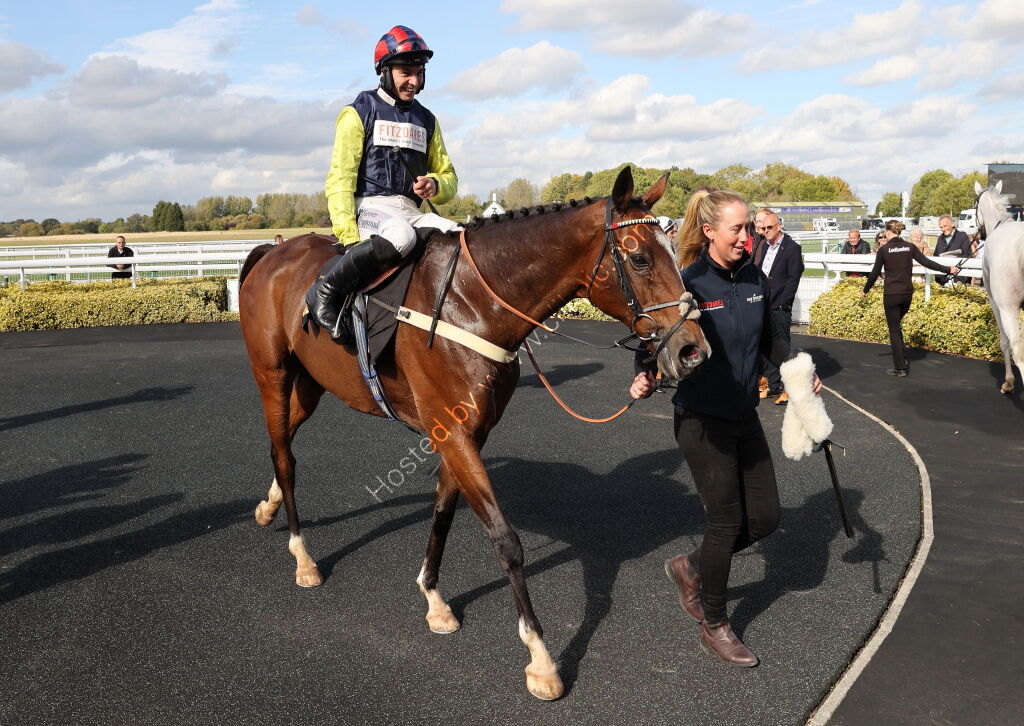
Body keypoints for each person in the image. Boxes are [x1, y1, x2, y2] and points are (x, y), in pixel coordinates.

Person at [630, 188, 822, 667]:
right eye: (736, 229)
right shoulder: (689, 283)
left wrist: (799, 369)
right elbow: (657, 335)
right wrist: (645, 372)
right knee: (726, 522)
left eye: (749, 229)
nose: (746, 237)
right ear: (710, 231)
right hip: (700, 419)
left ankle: (692, 566)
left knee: (766, 518)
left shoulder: (756, 278)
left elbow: (771, 340)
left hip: (744, 413)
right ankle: (714, 623)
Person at [306, 25, 459, 337]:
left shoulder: (427, 120)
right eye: (406, 72)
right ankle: (325, 291)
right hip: (370, 208)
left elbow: (449, 177)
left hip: (411, 210)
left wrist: (435, 184)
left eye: (419, 72)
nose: (414, 81)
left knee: (458, 235)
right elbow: (339, 180)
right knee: (402, 236)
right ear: (385, 71)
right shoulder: (357, 113)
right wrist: (348, 237)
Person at [861, 220, 960, 376]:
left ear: (888, 232)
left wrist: (865, 290)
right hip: (907, 294)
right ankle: (902, 356)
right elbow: (927, 262)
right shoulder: (910, 247)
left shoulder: (884, 249)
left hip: (891, 294)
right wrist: (949, 269)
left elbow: (874, 273)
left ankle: (900, 367)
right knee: (897, 326)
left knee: (893, 330)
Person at [751, 212, 804, 404]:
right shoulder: (764, 246)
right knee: (766, 349)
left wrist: (784, 303)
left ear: (779, 226)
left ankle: (789, 389)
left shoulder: (792, 248)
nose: (766, 232)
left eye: (770, 228)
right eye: (763, 228)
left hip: (780, 306)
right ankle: (773, 386)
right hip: (764, 305)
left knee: (783, 349)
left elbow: (794, 277)